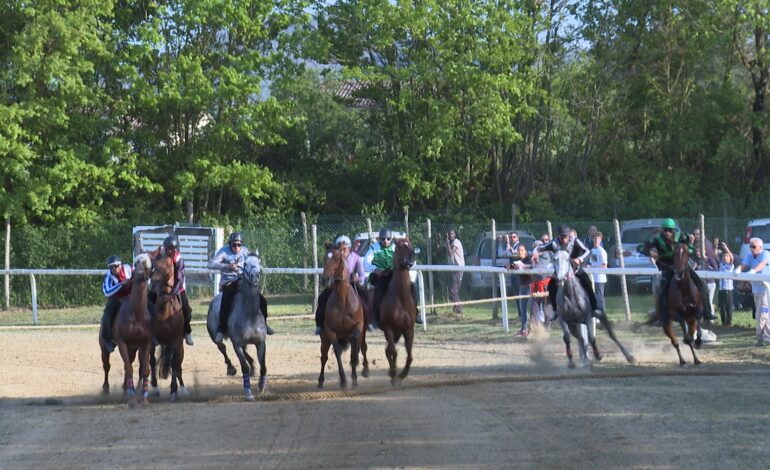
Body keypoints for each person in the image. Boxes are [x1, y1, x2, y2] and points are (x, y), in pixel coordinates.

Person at [638, 218, 712, 325]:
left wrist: (690, 245)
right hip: (668, 269)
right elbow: (640, 248)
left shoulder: (681, 236)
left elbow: (691, 249)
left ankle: (707, 313)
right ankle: (662, 317)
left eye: (670, 230)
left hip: (683, 267)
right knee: (662, 293)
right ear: (663, 231)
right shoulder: (657, 240)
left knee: (703, 286)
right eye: (665, 230)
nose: (668, 233)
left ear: (673, 231)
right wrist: (651, 253)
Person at [209, 232, 274, 345]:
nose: (236, 248)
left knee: (261, 300)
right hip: (229, 283)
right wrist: (227, 266)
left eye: (239, 245)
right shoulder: (224, 251)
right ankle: (221, 328)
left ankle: (264, 323)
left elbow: (252, 262)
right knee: (226, 302)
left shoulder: (245, 251)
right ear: (230, 244)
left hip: (243, 282)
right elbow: (210, 264)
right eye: (234, 245)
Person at [531, 224, 600, 319]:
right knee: (551, 286)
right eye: (561, 237)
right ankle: (555, 311)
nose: (564, 240)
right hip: (560, 272)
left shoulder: (575, 241)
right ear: (558, 236)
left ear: (569, 236)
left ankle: (594, 308)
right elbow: (540, 247)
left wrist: (579, 259)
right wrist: (535, 253)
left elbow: (587, 251)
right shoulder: (554, 243)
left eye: (566, 237)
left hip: (575, 269)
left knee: (587, 283)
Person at [315, 235, 369, 335]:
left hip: (352, 284)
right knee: (323, 297)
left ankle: (367, 322)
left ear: (349, 248)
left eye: (344, 248)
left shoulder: (356, 258)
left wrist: (358, 279)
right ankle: (320, 324)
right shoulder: (335, 258)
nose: (342, 251)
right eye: (339, 248)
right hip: (336, 285)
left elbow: (362, 276)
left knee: (366, 298)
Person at [149, 236, 194, 346]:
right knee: (148, 304)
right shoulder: (159, 255)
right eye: (167, 248)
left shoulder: (178, 258)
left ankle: (187, 331)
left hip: (177, 286)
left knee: (186, 309)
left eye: (172, 248)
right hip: (159, 287)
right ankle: (150, 332)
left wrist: (173, 293)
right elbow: (152, 269)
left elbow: (180, 277)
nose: (169, 250)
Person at [370, 228, 421, 325]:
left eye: (388, 238)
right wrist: (375, 269)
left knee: (412, 287)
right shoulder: (374, 248)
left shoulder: (396, 247)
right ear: (379, 239)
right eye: (383, 239)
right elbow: (366, 262)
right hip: (382, 275)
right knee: (379, 289)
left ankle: (416, 312)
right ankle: (376, 316)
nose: (385, 241)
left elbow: (408, 258)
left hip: (395, 274)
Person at [734, 237, 770, 345]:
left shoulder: (765, 253)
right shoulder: (749, 255)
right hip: (756, 290)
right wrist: (739, 269)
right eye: (750, 246)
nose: (751, 248)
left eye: (754, 246)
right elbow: (744, 264)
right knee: (758, 314)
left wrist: (753, 270)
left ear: (760, 247)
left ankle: (766, 338)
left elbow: (762, 264)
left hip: (766, 289)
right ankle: (760, 337)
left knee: (764, 313)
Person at [100, 255, 133, 353]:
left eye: (116, 266)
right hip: (117, 298)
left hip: (131, 296)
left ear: (121, 264)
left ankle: (154, 333)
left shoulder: (129, 268)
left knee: (149, 305)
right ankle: (107, 339)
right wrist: (121, 284)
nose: (114, 269)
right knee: (107, 315)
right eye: (111, 267)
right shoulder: (108, 275)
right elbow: (107, 291)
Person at [693, 228, 719, 321]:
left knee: (708, 301)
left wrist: (707, 265)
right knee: (702, 302)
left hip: (710, 282)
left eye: (697, 234)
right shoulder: (697, 260)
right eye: (697, 252)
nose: (698, 253)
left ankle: (710, 320)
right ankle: (703, 319)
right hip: (701, 283)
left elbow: (716, 270)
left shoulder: (709, 259)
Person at [510, 244, 532, 337]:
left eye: (522, 250)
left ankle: (533, 329)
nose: (520, 252)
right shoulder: (517, 261)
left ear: (525, 251)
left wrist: (522, 266)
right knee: (523, 310)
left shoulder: (529, 259)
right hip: (522, 287)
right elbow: (508, 266)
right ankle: (524, 330)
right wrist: (513, 266)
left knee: (532, 309)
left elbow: (531, 266)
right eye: (518, 250)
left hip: (531, 287)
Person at [446, 229, 465, 315]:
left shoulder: (456, 242)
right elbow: (439, 251)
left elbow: (450, 253)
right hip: (452, 269)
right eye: (449, 234)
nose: (450, 235)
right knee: (452, 291)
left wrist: (447, 241)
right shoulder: (449, 243)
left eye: (452, 234)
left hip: (458, 269)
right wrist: (438, 241)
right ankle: (456, 310)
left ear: (455, 235)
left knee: (453, 290)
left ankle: (459, 310)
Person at [589, 231, 608, 314]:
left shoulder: (602, 251)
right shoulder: (592, 251)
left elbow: (604, 266)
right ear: (592, 239)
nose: (596, 240)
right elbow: (592, 263)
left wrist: (594, 268)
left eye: (598, 239)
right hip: (593, 278)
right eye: (595, 238)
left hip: (600, 278)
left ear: (600, 240)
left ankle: (602, 315)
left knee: (600, 298)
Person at [718, 242, 735, 327]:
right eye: (724, 256)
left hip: (728, 289)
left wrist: (726, 248)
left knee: (728, 307)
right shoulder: (721, 264)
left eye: (727, 256)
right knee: (722, 307)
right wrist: (715, 246)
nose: (725, 257)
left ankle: (729, 322)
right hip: (721, 289)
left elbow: (732, 257)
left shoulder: (730, 266)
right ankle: (723, 323)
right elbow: (715, 255)